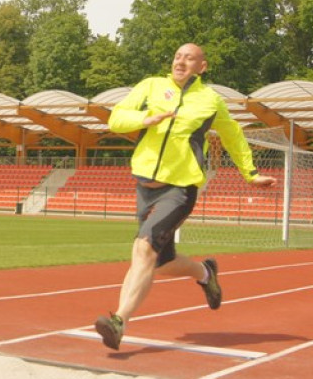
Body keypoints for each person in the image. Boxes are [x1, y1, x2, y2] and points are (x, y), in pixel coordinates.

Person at [94, 43, 277, 350]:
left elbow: (232, 135)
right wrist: (145, 119)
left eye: (189, 58)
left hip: (180, 188)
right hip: (145, 185)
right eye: (178, 56)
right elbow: (116, 118)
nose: (180, 61)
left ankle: (119, 321)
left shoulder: (210, 100)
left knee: (143, 251)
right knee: (160, 263)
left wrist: (250, 173)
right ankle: (206, 273)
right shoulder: (151, 86)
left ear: (201, 67)